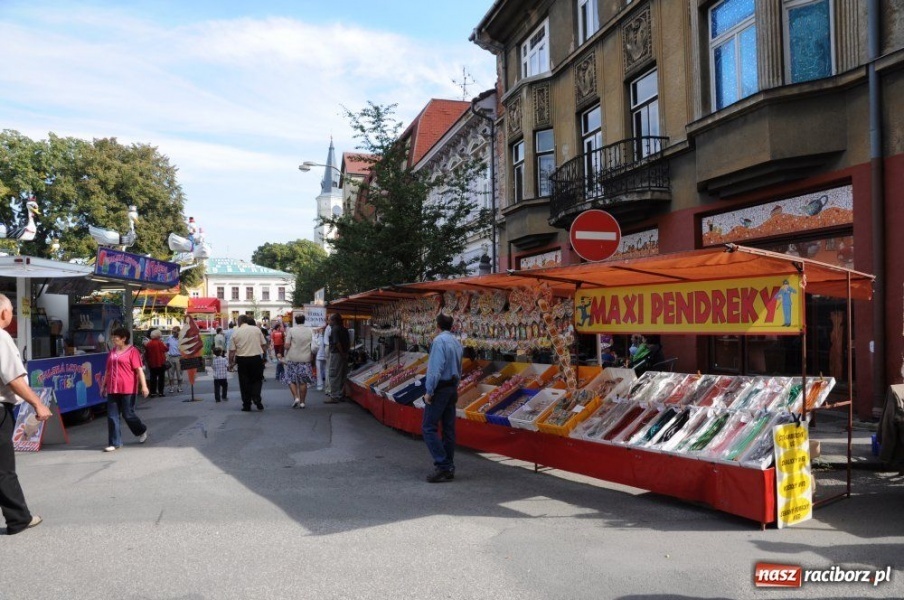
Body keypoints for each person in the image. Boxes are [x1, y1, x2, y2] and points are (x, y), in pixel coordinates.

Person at [0, 293, 50, 534]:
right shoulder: (1, 337)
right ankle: (19, 519)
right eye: (11, 311)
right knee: (3, 470)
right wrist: (37, 404)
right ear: (4, 313)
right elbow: (13, 378)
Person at [422, 313, 462, 483]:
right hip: (452, 387)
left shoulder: (439, 341)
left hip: (441, 388)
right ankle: (449, 465)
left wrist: (429, 391)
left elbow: (435, 369)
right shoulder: (456, 342)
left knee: (428, 427)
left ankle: (443, 464)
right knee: (448, 429)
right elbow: (459, 368)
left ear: (437, 325)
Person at [100, 326, 150, 452]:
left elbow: (139, 370)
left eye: (115, 338)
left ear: (124, 338)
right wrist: (103, 386)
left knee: (128, 415)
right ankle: (115, 442)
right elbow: (107, 370)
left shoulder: (133, 351)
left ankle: (141, 430)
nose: (113, 340)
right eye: (113, 338)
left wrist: (144, 386)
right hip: (113, 387)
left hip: (128, 387)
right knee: (112, 416)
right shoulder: (112, 351)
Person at [228, 314, 267, 411]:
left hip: (242, 360)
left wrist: (231, 363)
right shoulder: (256, 330)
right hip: (256, 359)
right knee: (257, 380)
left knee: (244, 382)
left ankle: (247, 404)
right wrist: (263, 356)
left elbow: (232, 351)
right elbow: (264, 345)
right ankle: (257, 398)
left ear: (239, 322)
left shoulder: (236, 333)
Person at [282, 314, 315, 408]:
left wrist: (284, 350)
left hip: (293, 358)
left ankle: (296, 397)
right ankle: (302, 402)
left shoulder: (291, 330)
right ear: (304, 321)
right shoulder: (310, 330)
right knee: (303, 381)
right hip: (305, 358)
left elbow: (287, 345)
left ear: (295, 321)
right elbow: (313, 345)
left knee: (291, 379)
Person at [325, 313, 349, 404]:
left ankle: (334, 395)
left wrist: (342, 353)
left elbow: (337, 343)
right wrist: (345, 353)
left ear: (334, 321)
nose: (329, 322)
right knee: (342, 373)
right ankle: (340, 394)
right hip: (344, 353)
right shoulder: (344, 329)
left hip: (337, 353)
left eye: (330, 320)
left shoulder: (334, 329)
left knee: (334, 374)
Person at [144, 329, 168, 397]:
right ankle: (161, 392)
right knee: (161, 378)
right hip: (160, 362)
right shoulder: (160, 343)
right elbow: (166, 349)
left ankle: (152, 392)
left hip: (152, 363)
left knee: (153, 378)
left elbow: (146, 354)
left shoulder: (149, 343)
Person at [165, 325, 183, 393]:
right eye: (173, 332)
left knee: (179, 373)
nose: (173, 333)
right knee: (170, 373)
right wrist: (166, 355)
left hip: (179, 357)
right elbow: (165, 347)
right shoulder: (169, 338)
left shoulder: (181, 339)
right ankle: (171, 387)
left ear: (178, 332)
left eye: (175, 332)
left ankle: (179, 386)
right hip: (170, 357)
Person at [313, 327, 326, 391]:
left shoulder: (317, 336)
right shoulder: (325, 334)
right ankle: (325, 385)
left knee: (320, 371)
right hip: (324, 354)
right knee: (325, 370)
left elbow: (315, 343)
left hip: (319, 355)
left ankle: (320, 385)